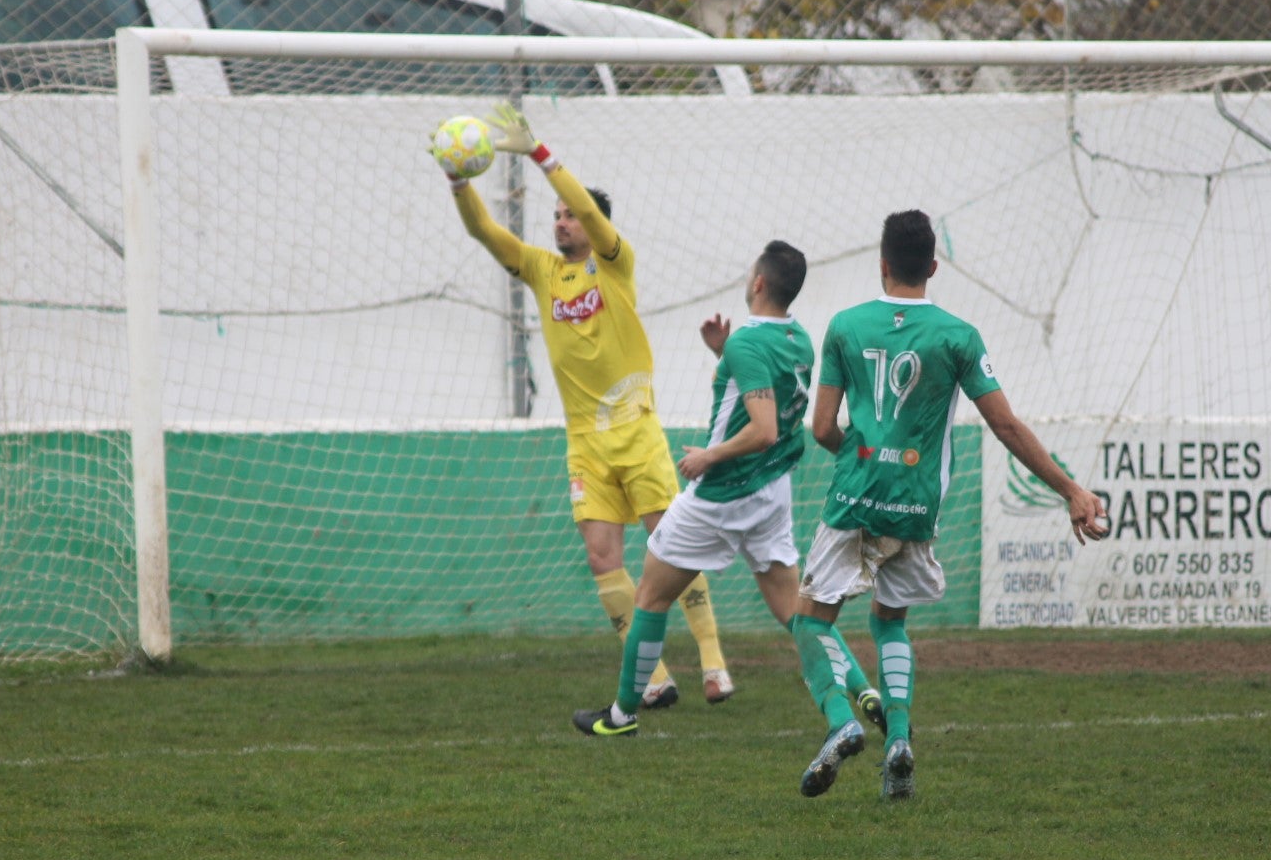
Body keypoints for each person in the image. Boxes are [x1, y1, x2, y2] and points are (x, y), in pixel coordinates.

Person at [792, 210, 1108, 801]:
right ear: (933, 267)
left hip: (854, 497)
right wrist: (1072, 490)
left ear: (882, 264)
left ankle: (841, 721)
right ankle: (900, 741)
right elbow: (1005, 425)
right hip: (916, 507)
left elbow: (823, 428)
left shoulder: (844, 326)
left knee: (810, 619)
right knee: (889, 621)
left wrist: (861, 455)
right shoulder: (959, 336)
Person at [435, 102, 732, 707]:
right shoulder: (543, 271)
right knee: (602, 558)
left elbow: (594, 215)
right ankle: (652, 679)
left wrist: (542, 155)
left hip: (637, 430)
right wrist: (459, 183)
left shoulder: (615, 265)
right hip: (585, 443)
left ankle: (713, 662)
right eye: (556, 216)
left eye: (570, 216)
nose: (561, 223)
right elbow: (486, 234)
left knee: (670, 546)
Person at [571, 241, 882, 737]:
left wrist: (707, 456)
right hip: (773, 493)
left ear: (758, 283)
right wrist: (723, 353)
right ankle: (864, 689)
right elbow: (766, 396)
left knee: (650, 597)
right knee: (796, 612)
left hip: (722, 493)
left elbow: (763, 429)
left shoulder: (748, 343)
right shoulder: (797, 338)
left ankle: (622, 716)